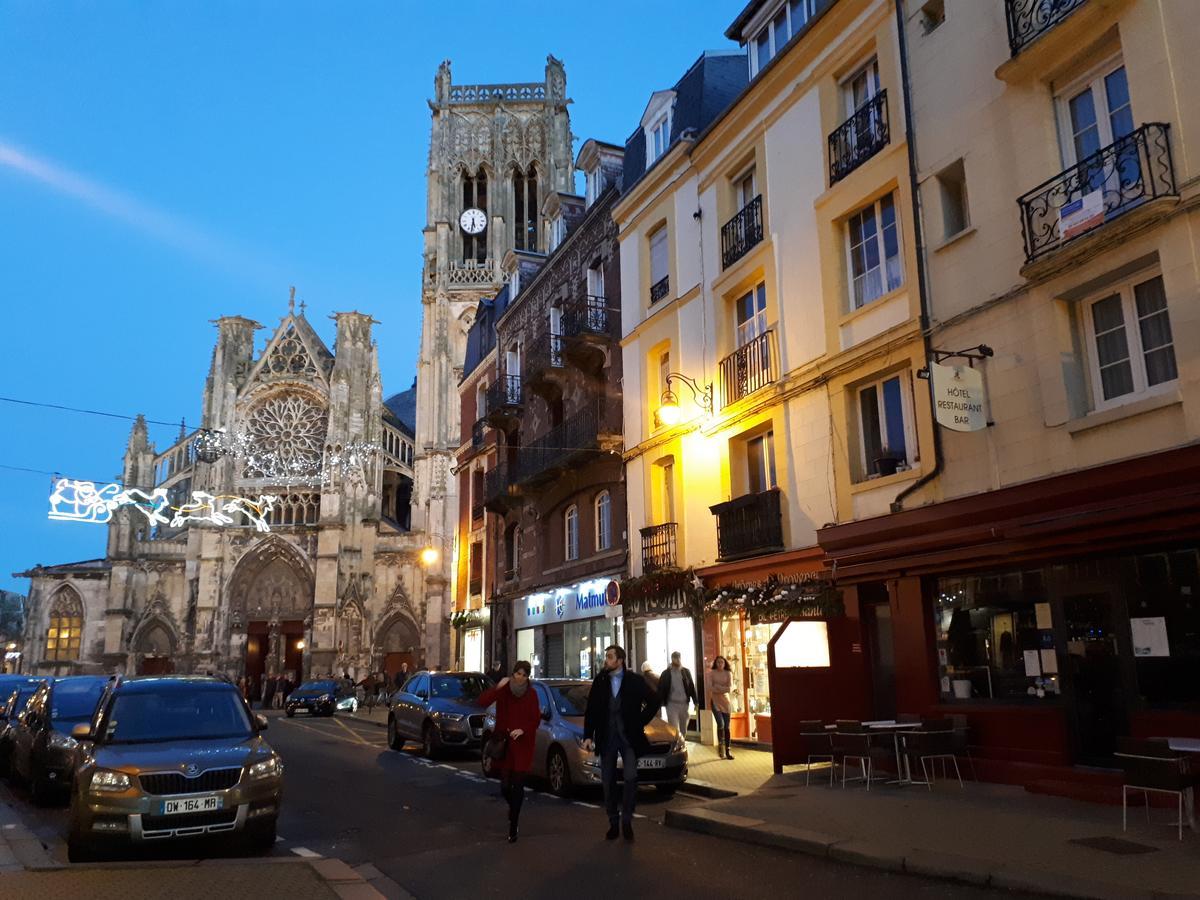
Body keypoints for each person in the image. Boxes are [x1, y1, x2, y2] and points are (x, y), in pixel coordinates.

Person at [582, 645, 660, 841]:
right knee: (607, 781)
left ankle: (627, 820)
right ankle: (613, 822)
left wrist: (639, 721)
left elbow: (654, 701)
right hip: (607, 736)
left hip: (629, 738)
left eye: (609, 657)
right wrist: (588, 735)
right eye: (606, 657)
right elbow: (591, 710)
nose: (606, 660)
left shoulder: (634, 681)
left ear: (620, 660)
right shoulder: (600, 681)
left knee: (631, 777)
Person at [476, 661, 541, 843]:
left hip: (522, 745)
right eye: (517, 673)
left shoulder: (532, 694)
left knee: (518, 785)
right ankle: (513, 810)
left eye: (523, 674)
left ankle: (514, 825)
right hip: (504, 744)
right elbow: (482, 701)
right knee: (505, 786)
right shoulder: (505, 691)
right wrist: (498, 687)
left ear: (528, 677)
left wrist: (522, 730)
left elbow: (535, 719)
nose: (519, 677)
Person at [658, 651, 698, 741]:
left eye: (679, 657)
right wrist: (659, 704)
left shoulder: (686, 672)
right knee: (674, 727)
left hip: (684, 704)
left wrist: (695, 701)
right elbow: (661, 689)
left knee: (683, 728)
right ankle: (676, 746)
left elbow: (691, 686)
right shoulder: (666, 674)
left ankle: (681, 743)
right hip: (671, 704)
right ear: (672, 659)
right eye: (675, 658)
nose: (677, 660)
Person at [708, 656, 734, 760]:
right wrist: (722, 688)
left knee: (727, 727)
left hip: (726, 702)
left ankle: (728, 750)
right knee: (721, 724)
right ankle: (721, 747)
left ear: (724, 663)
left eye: (722, 662)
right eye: (718, 662)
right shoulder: (711, 673)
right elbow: (710, 687)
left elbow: (730, 688)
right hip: (715, 701)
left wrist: (718, 687)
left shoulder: (728, 673)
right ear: (715, 663)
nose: (720, 664)